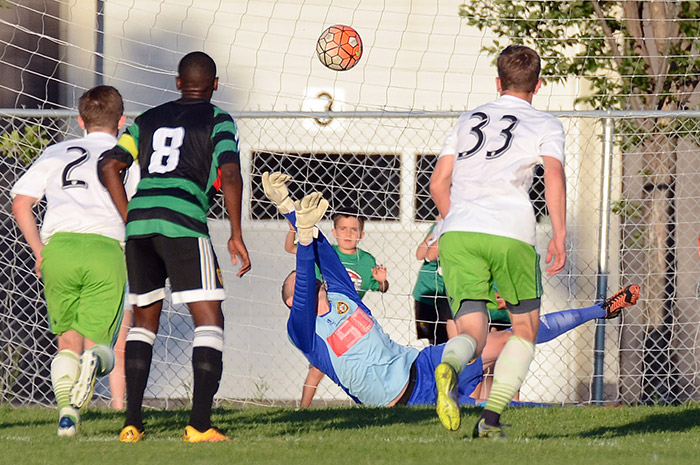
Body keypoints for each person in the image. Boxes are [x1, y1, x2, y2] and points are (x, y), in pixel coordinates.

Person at [263, 173, 640, 409]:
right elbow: (302, 289)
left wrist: (289, 209)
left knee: (512, 336)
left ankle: (600, 310)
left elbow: (323, 255)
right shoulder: (303, 331)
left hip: (420, 364)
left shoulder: (343, 294)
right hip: (405, 403)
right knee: (497, 411)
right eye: (296, 288)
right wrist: (301, 231)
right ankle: (587, 411)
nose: (303, 285)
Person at [98, 51, 251, 443]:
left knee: (144, 319)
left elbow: (109, 165)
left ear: (178, 82)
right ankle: (199, 425)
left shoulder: (146, 120)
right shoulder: (218, 119)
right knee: (209, 318)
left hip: (142, 223)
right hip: (182, 220)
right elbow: (229, 172)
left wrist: (129, 214)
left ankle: (131, 423)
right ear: (214, 85)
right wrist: (236, 232)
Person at [429, 44, 568, 437]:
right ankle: (490, 421)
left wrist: (456, 219)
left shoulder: (467, 118)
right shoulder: (545, 123)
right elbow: (553, 177)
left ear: (497, 82)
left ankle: (450, 367)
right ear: (538, 85)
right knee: (524, 329)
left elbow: (438, 183)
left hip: (458, 232)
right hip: (510, 232)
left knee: (472, 332)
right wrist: (558, 234)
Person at [11, 85, 137, 437]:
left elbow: (21, 203)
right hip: (106, 248)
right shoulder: (127, 157)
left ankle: (68, 412)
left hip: (60, 250)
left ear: (81, 121)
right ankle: (94, 362)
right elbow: (138, 208)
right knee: (102, 344)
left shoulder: (56, 151)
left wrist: (39, 251)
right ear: (122, 121)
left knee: (67, 340)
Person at [285, 206, 389, 299]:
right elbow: (290, 248)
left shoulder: (367, 260)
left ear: (361, 234)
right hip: (321, 307)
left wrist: (382, 281)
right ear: (334, 232)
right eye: (343, 229)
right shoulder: (324, 251)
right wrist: (292, 231)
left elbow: (382, 288)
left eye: (354, 229)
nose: (348, 234)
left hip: (350, 312)